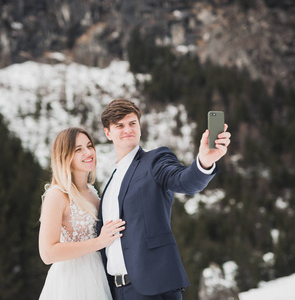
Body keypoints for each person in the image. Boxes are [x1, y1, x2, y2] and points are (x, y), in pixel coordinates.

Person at [97, 99, 231, 300]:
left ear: (140, 127)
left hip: (153, 287)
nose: (128, 129)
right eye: (120, 125)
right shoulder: (110, 183)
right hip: (117, 291)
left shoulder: (155, 160)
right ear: (108, 132)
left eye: (133, 123)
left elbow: (183, 181)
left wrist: (204, 161)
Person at [38, 127, 126, 300]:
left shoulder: (93, 192)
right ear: (65, 156)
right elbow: (47, 253)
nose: (88, 152)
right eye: (78, 149)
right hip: (72, 281)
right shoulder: (57, 195)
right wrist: (99, 241)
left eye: (89, 146)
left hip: (99, 275)